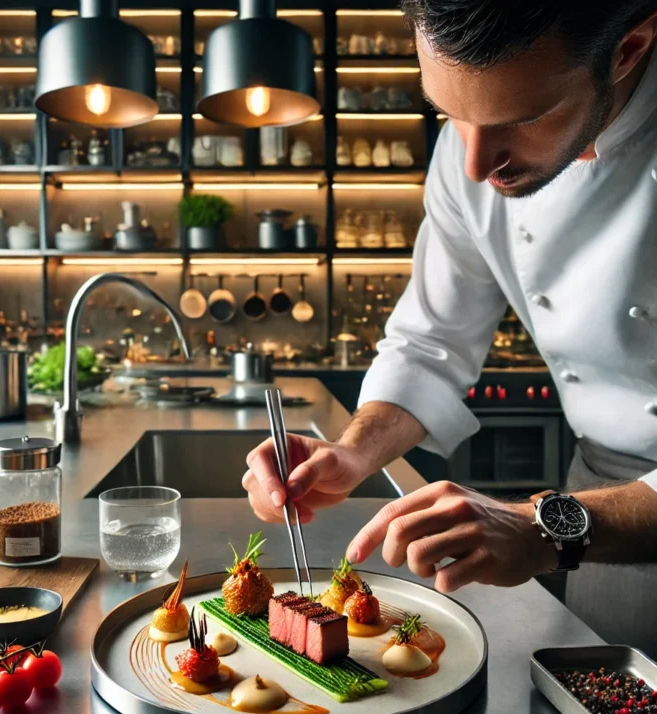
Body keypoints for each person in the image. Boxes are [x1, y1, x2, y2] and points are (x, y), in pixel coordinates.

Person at [243, 1, 657, 654]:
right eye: (450, 115)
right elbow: (431, 340)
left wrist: (545, 528)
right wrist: (355, 450)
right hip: (596, 531)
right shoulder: (477, 144)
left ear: (629, 49)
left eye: (522, 119)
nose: (473, 164)